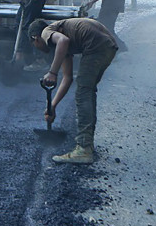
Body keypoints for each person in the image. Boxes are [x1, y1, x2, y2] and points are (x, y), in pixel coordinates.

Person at [29, 17, 119, 164]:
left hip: (96, 46)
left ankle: (83, 149)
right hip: (107, 46)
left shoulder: (47, 31)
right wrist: (52, 106)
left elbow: (63, 41)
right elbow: (67, 77)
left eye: (34, 45)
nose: (38, 49)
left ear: (36, 38)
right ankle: (87, 144)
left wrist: (52, 72)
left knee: (83, 93)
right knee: (87, 91)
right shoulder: (62, 38)